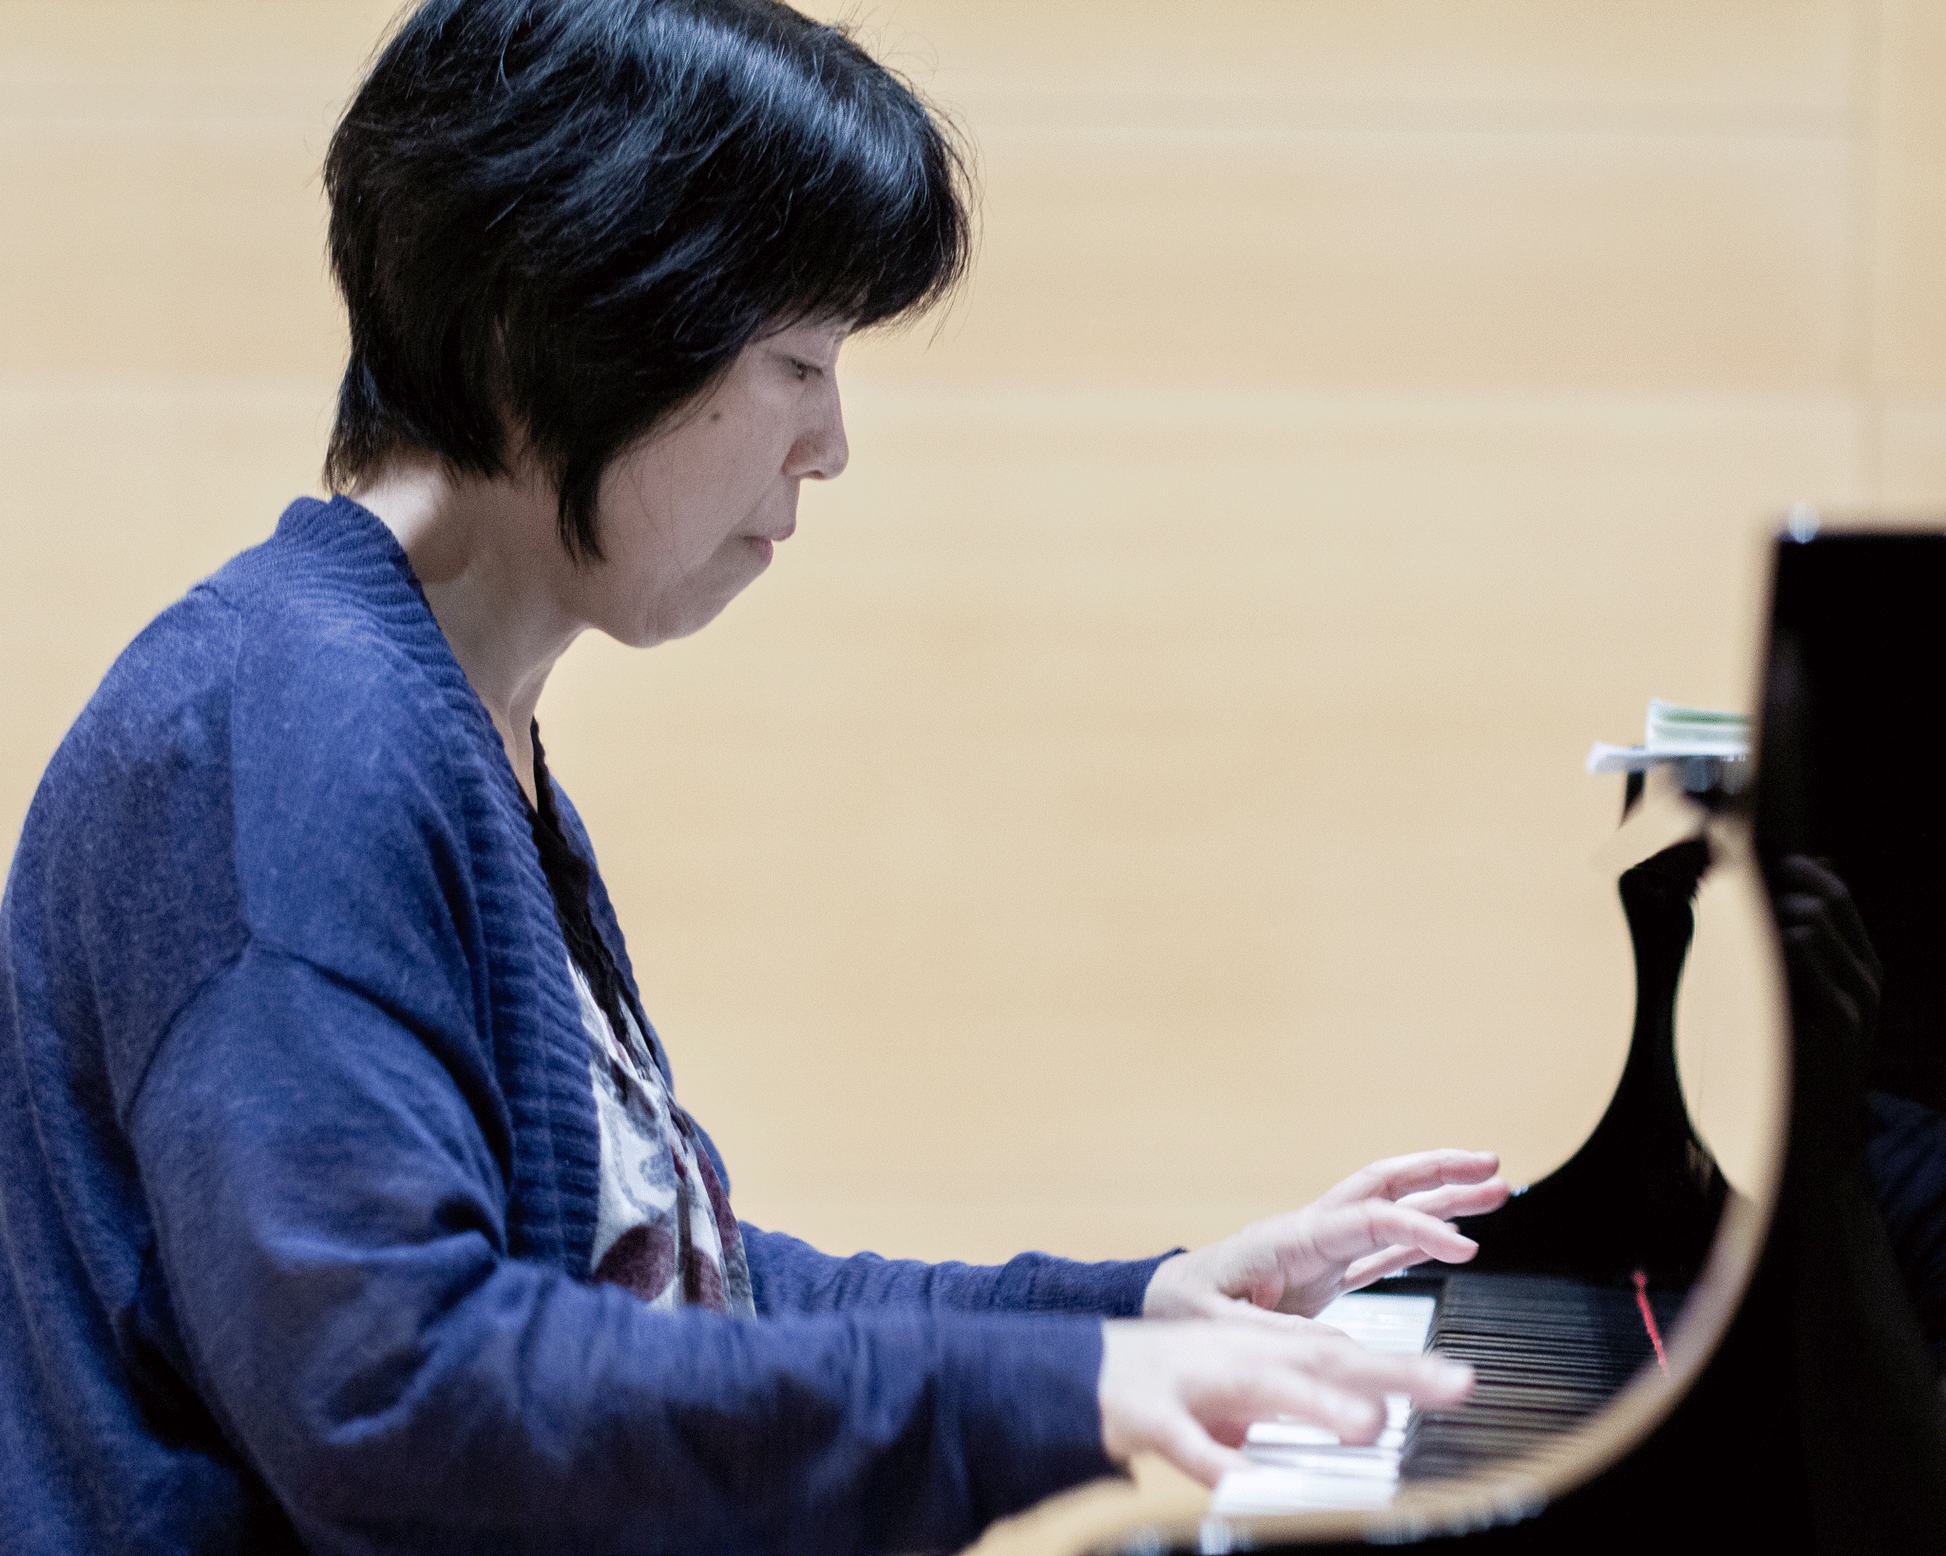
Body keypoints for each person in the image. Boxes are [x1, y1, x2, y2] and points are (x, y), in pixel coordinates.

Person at [0, 2, 1509, 1551]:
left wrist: (1129, 1313)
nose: (828, 444)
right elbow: (402, 1403)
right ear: (552, 322)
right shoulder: (287, 736)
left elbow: (666, 1293)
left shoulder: (421, 711)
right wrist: (1052, 1391)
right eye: (794, 359)